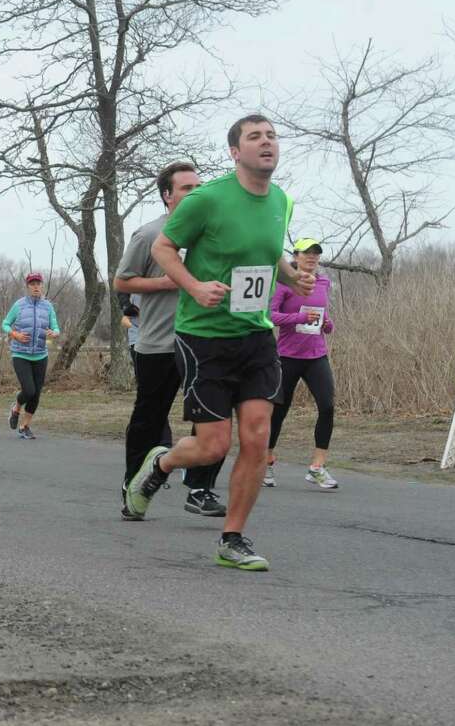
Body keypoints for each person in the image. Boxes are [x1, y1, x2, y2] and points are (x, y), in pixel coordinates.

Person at [125, 115, 315, 572]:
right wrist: (193, 286)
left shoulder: (282, 201)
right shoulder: (207, 200)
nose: (266, 143)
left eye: (271, 136)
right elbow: (163, 250)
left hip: (255, 335)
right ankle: (160, 465)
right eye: (255, 137)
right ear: (235, 152)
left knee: (256, 436)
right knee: (212, 446)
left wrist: (294, 275)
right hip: (204, 336)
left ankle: (232, 538)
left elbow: (268, 250)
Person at [115, 162, 226, 520]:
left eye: (199, 186)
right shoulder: (149, 235)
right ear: (167, 195)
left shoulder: (212, 235)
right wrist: (165, 283)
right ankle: (134, 481)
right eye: (186, 188)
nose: (196, 193)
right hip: (159, 342)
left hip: (204, 340)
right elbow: (122, 281)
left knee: (214, 416)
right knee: (149, 416)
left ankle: (200, 488)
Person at [266, 238, 338, 489]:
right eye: (306, 253)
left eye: (316, 253)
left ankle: (317, 466)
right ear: (295, 256)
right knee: (278, 411)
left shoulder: (323, 282)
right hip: (287, 355)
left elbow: (320, 312)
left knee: (327, 406)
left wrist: (327, 323)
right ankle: (266, 461)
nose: (311, 257)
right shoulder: (285, 283)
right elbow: (270, 316)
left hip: (316, 354)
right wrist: (297, 318)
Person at [2, 272, 60, 440]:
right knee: (29, 390)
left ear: (42, 286)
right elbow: (5, 323)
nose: (35, 286)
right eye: (32, 284)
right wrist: (15, 334)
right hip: (20, 354)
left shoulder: (48, 307)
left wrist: (54, 333)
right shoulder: (19, 305)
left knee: (36, 393)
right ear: (27, 287)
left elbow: (56, 327)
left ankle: (24, 426)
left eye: (38, 283)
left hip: (41, 355)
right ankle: (16, 408)